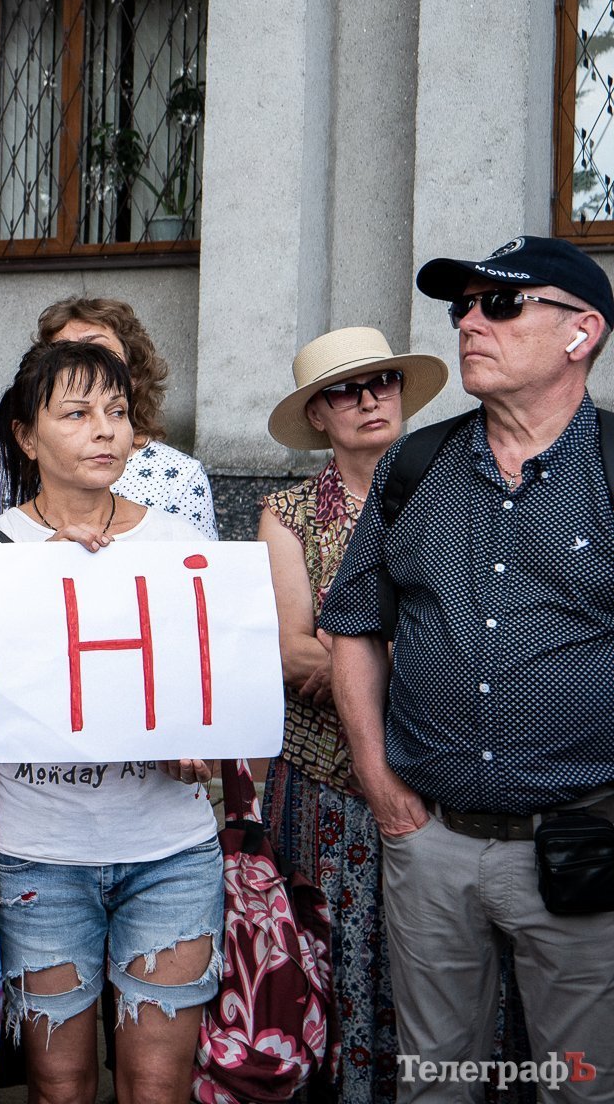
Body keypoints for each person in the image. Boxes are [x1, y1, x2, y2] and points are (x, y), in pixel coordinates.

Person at [318, 235, 614, 1103]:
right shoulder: (417, 467)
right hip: (433, 844)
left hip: (583, 843)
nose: (470, 323)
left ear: (580, 333)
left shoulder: (611, 469)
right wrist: (376, 778)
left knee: (582, 1087)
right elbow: (353, 626)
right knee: (436, 1083)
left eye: (502, 304)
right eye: (464, 308)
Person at [0, 340, 223, 1104]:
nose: (105, 430)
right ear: (27, 438)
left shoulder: (179, 545)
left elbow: (207, 690)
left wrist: (201, 733)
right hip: (44, 857)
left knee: (157, 1085)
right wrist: (61, 578)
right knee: (60, 1086)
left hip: (171, 852)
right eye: (76, 413)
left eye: (117, 411)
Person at [259, 327, 447, 1104]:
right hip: (326, 788)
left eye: (383, 382)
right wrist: (420, 661)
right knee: (330, 966)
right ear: (316, 417)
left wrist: (352, 646)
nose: (370, 399)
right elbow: (291, 652)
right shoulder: (289, 512)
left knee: (439, 973)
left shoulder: (455, 493)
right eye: (346, 389)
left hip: (447, 788)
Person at [0, 297, 216, 542]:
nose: (86, 367)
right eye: (65, 353)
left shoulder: (179, 483)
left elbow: (201, 573)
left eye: (98, 351)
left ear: (132, 374)